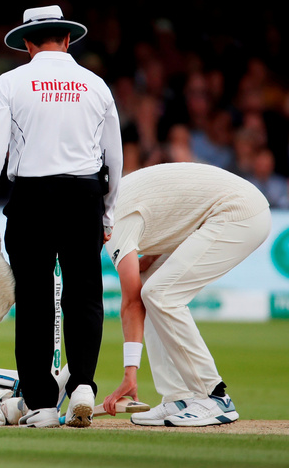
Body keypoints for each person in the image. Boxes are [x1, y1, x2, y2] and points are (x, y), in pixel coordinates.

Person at [0, 5, 122, 428]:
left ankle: (42, 405)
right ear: (67, 39)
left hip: (32, 196)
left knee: (34, 300)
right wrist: (107, 213)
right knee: (85, 294)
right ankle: (83, 385)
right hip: (85, 194)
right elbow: (114, 155)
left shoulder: (10, 82)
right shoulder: (95, 84)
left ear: (27, 44)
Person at [100, 163, 269, 427]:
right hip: (224, 210)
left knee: (160, 294)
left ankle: (214, 397)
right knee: (150, 283)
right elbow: (169, 216)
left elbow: (131, 303)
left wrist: (129, 375)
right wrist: (150, 260)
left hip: (238, 213)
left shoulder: (113, 221)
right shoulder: (113, 197)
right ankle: (178, 397)